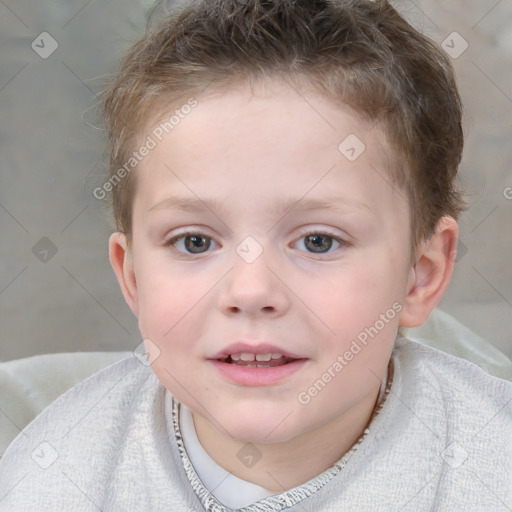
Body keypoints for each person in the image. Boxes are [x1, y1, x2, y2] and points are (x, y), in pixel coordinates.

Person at [1, 0, 511, 510]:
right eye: (194, 241)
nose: (251, 292)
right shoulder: (52, 479)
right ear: (133, 277)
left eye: (318, 241)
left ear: (420, 276)